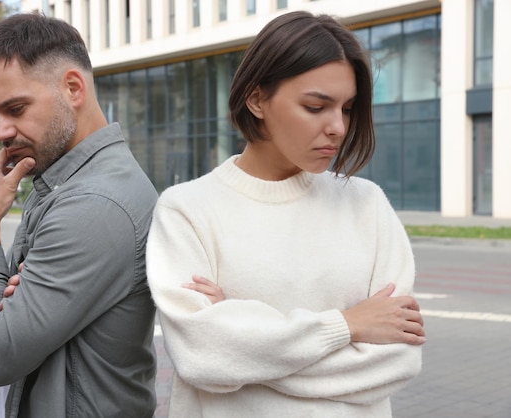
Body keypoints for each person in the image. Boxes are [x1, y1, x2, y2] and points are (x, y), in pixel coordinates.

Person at [146, 10, 426, 418]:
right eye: (316, 106)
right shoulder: (186, 210)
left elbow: (396, 361)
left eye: (347, 108)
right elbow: (203, 357)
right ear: (257, 99)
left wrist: (243, 332)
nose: (337, 127)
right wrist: (347, 326)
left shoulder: (367, 205)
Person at [0, 13, 158, 418]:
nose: (0, 132)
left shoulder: (96, 205)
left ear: (72, 87)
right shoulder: (60, 179)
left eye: (15, 108)